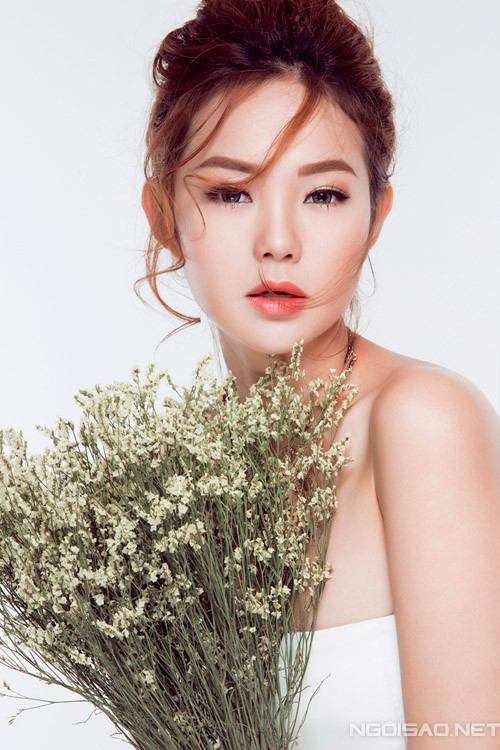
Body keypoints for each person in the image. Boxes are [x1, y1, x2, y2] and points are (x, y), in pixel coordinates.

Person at [139, 0, 500, 746]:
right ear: (163, 215)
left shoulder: (419, 422)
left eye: (324, 194)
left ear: (376, 217)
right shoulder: (171, 488)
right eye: (231, 192)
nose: (278, 241)